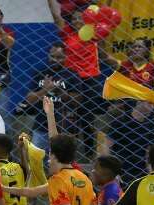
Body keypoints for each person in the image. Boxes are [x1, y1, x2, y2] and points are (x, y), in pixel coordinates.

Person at [100, 31, 154, 183]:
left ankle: (151, 178)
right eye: (133, 46)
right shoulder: (125, 66)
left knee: (149, 147)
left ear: (147, 50)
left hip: (148, 112)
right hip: (128, 112)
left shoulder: (152, 66)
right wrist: (100, 38)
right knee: (127, 145)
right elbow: (104, 57)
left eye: (139, 47)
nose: (136, 49)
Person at [47, 0, 105, 154]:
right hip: (71, 79)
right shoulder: (67, 33)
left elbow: (105, 15)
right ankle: (68, 151)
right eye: (74, 18)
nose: (77, 20)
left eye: (81, 17)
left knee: (87, 115)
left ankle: (88, 152)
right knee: (69, 116)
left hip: (91, 79)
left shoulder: (92, 31)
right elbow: (56, 17)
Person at [25, 42, 80, 152]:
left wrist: (59, 90)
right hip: (41, 125)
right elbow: (29, 100)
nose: (55, 60)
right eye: (52, 56)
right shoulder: (40, 73)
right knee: (36, 160)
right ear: (48, 56)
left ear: (65, 57)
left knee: (63, 160)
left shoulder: (71, 75)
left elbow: (77, 101)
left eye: (59, 57)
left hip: (64, 127)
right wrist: (45, 90)